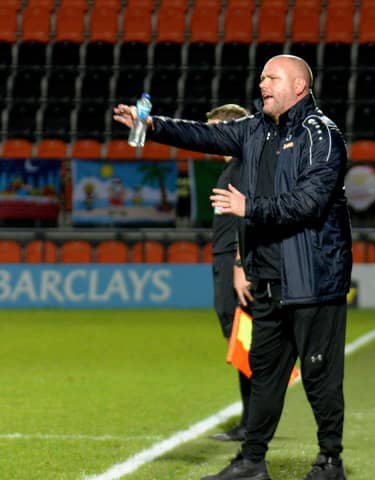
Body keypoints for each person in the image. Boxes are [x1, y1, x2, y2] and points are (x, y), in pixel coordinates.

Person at [114, 54, 352, 480]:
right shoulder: (255, 129)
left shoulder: (323, 134)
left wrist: (249, 206)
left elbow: (311, 202)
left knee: (320, 378)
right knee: (263, 374)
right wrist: (152, 126)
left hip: (313, 280)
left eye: (272, 78)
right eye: (261, 77)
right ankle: (251, 461)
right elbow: (203, 135)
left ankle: (329, 461)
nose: (262, 84)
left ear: (299, 85)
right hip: (268, 279)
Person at [206, 103, 252, 443]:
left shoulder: (243, 168)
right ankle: (252, 420)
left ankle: (253, 423)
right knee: (241, 343)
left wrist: (239, 263)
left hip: (234, 263)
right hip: (225, 259)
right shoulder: (235, 166)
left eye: (214, 129)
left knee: (245, 343)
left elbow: (247, 219)